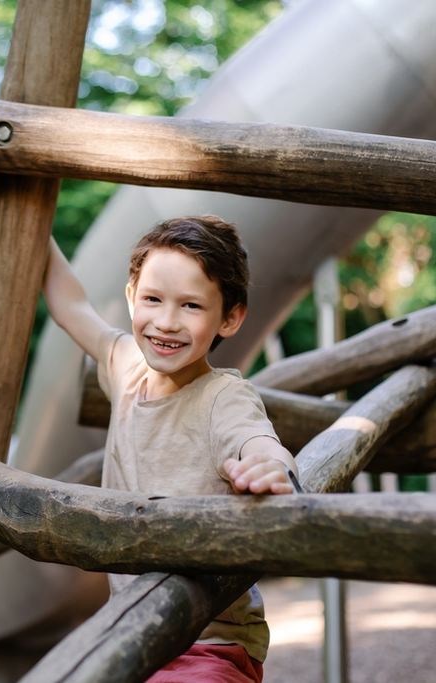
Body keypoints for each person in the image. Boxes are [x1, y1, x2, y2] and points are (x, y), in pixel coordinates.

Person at [43, 215, 297, 682]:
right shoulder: (126, 367)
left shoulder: (223, 396)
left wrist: (270, 467)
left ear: (231, 317)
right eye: (153, 300)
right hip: (134, 628)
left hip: (211, 642)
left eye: (191, 306)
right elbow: (69, 304)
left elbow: (257, 440)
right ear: (130, 297)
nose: (166, 322)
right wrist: (28, 212)